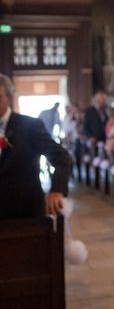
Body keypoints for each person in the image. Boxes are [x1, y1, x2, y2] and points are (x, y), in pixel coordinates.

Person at [0, 74, 72, 220]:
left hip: (24, 211)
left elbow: (62, 157)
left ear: (9, 98)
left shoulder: (29, 126)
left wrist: (56, 190)